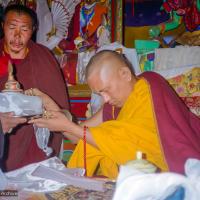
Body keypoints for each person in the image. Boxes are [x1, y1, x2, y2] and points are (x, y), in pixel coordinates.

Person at [29, 50, 200, 179]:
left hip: (168, 168)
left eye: (106, 90)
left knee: (106, 132)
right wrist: (50, 106)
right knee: (98, 137)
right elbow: (80, 134)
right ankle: (72, 185)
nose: (106, 99)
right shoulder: (113, 106)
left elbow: (140, 141)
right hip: (129, 172)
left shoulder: (150, 86)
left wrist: (68, 126)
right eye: (100, 94)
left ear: (125, 74)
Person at [0, 4, 69, 171]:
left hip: (35, 140)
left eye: (24, 29)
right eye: (12, 27)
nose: (17, 36)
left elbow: (58, 103)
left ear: (33, 30)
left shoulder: (43, 56)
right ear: (2, 26)